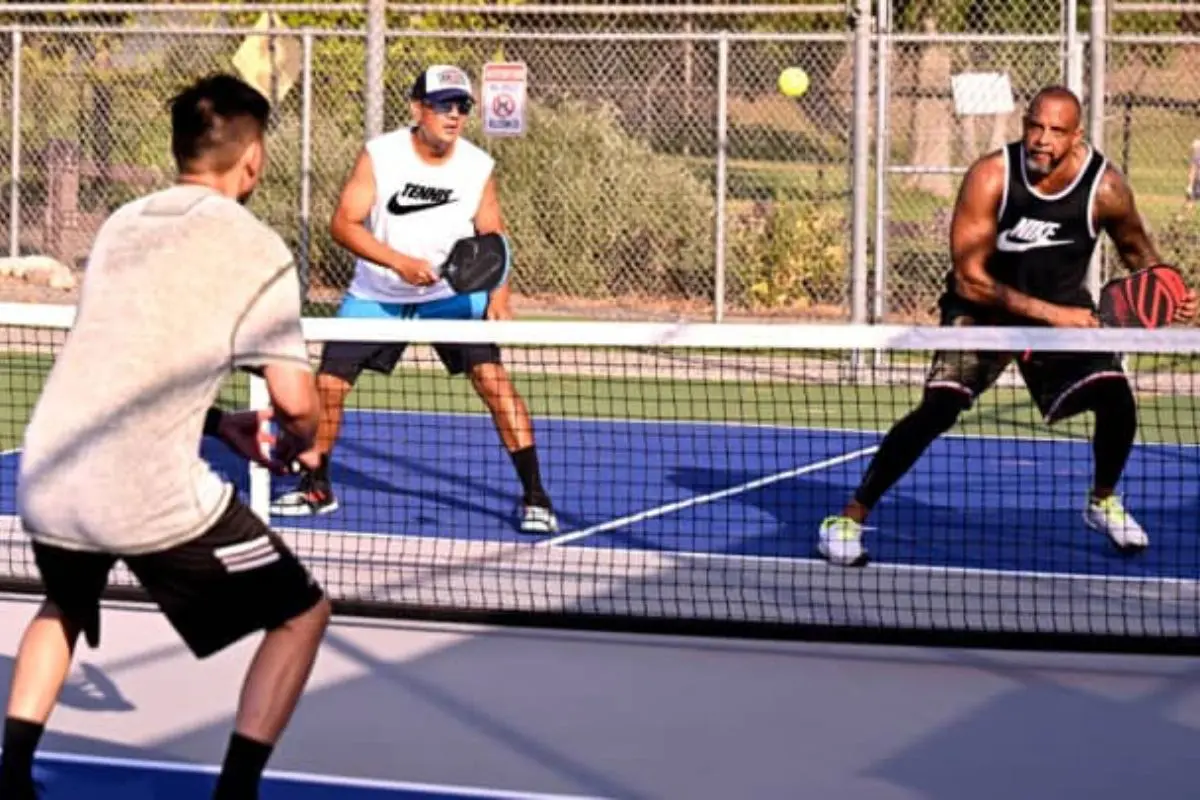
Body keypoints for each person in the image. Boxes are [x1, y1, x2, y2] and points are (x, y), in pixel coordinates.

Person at [0, 73, 331, 799]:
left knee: (65, 604)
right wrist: (306, 441)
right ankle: (235, 793)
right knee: (303, 614)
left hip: (49, 471)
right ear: (253, 161)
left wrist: (218, 424)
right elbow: (295, 399)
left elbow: (118, 363)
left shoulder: (121, 224)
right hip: (142, 491)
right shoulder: (259, 248)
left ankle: (12, 778)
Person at [818, 85, 1198, 567]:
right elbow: (968, 278)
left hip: (1062, 315)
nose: (1042, 139)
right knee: (939, 407)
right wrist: (1055, 316)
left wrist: (1169, 290)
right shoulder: (991, 176)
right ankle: (847, 518)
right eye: (1034, 126)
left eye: (1056, 131)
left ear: (1076, 136)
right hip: (982, 313)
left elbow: (1139, 252)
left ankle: (1102, 501)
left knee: (1116, 397)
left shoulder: (1105, 188)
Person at [269, 64, 559, 535]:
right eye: (443, 104)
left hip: (448, 298)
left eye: (462, 106)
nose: (454, 114)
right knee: (328, 387)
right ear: (417, 108)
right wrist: (398, 262)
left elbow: (493, 237)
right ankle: (316, 486)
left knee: (493, 381)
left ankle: (536, 496)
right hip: (376, 295)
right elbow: (343, 223)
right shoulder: (381, 156)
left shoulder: (477, 167)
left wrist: (498, 295)